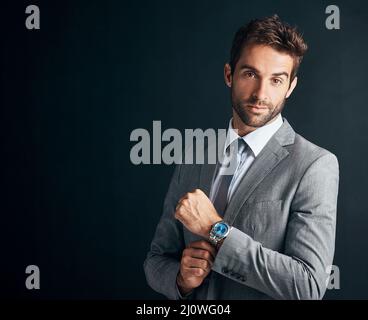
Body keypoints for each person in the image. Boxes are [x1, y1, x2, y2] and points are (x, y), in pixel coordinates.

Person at [143, 14, 339, 300]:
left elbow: (307, 286)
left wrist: (215, 230)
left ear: (290, 87)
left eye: (276, 80)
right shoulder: (196, 155)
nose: (261, 93)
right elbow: (156, 260)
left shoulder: (314, 165)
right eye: (250, 74)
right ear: (228, 75)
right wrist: (181, 279)